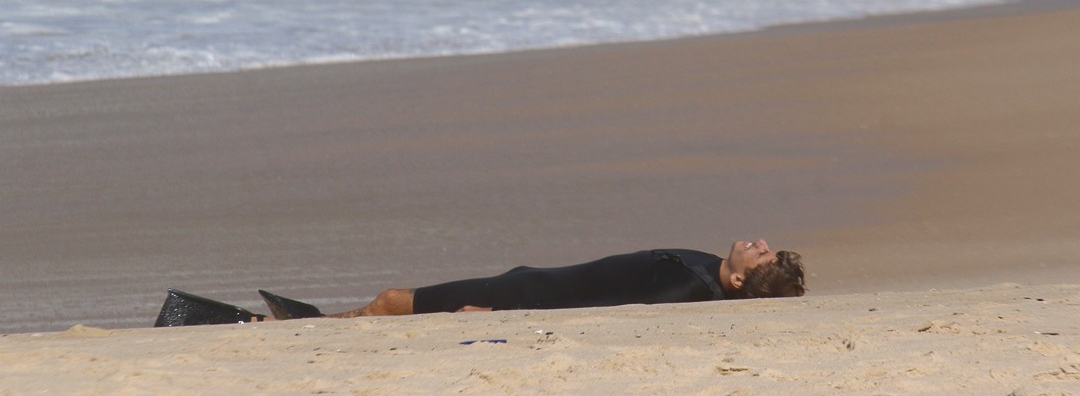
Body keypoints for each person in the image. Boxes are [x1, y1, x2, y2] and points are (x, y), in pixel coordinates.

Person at [154, 239, 805, 327]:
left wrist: (500, 315)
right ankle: (306, 324)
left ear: (743, 276)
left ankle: (299, 327)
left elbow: (607, 310)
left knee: (390, 300)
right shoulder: (700, 275)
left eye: (760, 248)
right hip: (530, 282)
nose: (753, 238)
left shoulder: (693, 290)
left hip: (527, 297)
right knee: (391, 303)